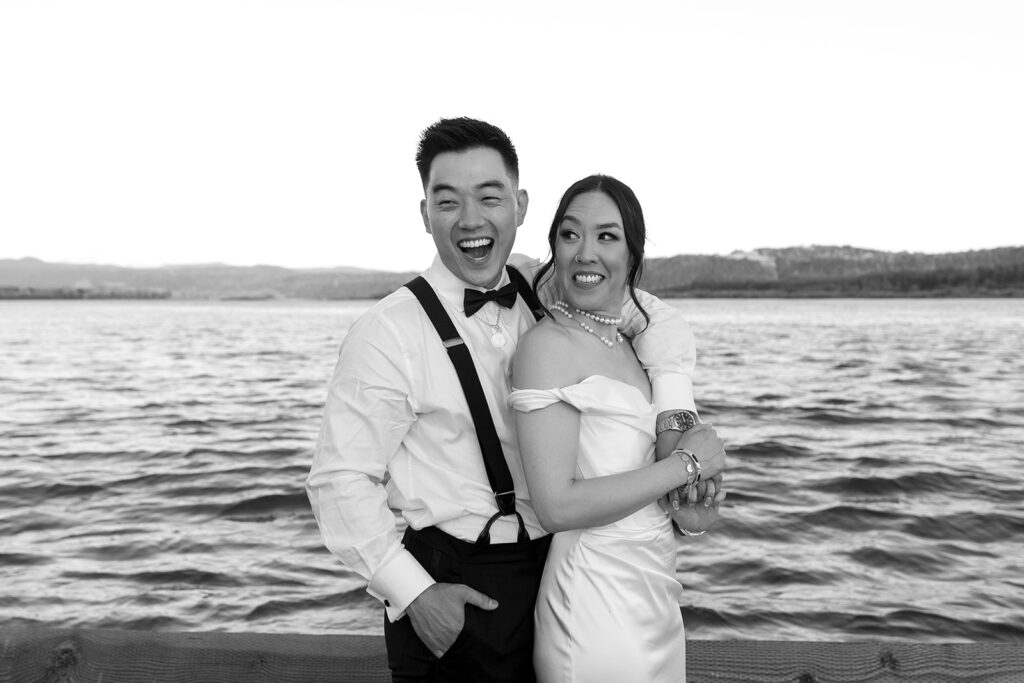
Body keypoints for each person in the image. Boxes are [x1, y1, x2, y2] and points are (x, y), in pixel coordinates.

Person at [306, 117, 718, 682]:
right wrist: (416, 594)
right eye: (447, 201)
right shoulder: (387, 332)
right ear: (425, 213)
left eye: (489, 197)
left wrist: (676, 413)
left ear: (520, 207)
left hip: (553, 571)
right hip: (454, 579)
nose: (471, 220)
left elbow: (648, 314)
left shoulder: (538, 287)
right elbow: (338, 481)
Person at [510, 174, 726, 682]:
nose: (586, 252)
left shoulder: (634, 349)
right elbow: (556, 505)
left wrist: (700, 492)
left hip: (654, 593)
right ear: (554, 248)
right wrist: (686, 465)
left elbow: (687, 517)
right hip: (592, 597)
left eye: (606, 236)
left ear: (633, 255)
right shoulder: (548, 347)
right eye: (570, 234)